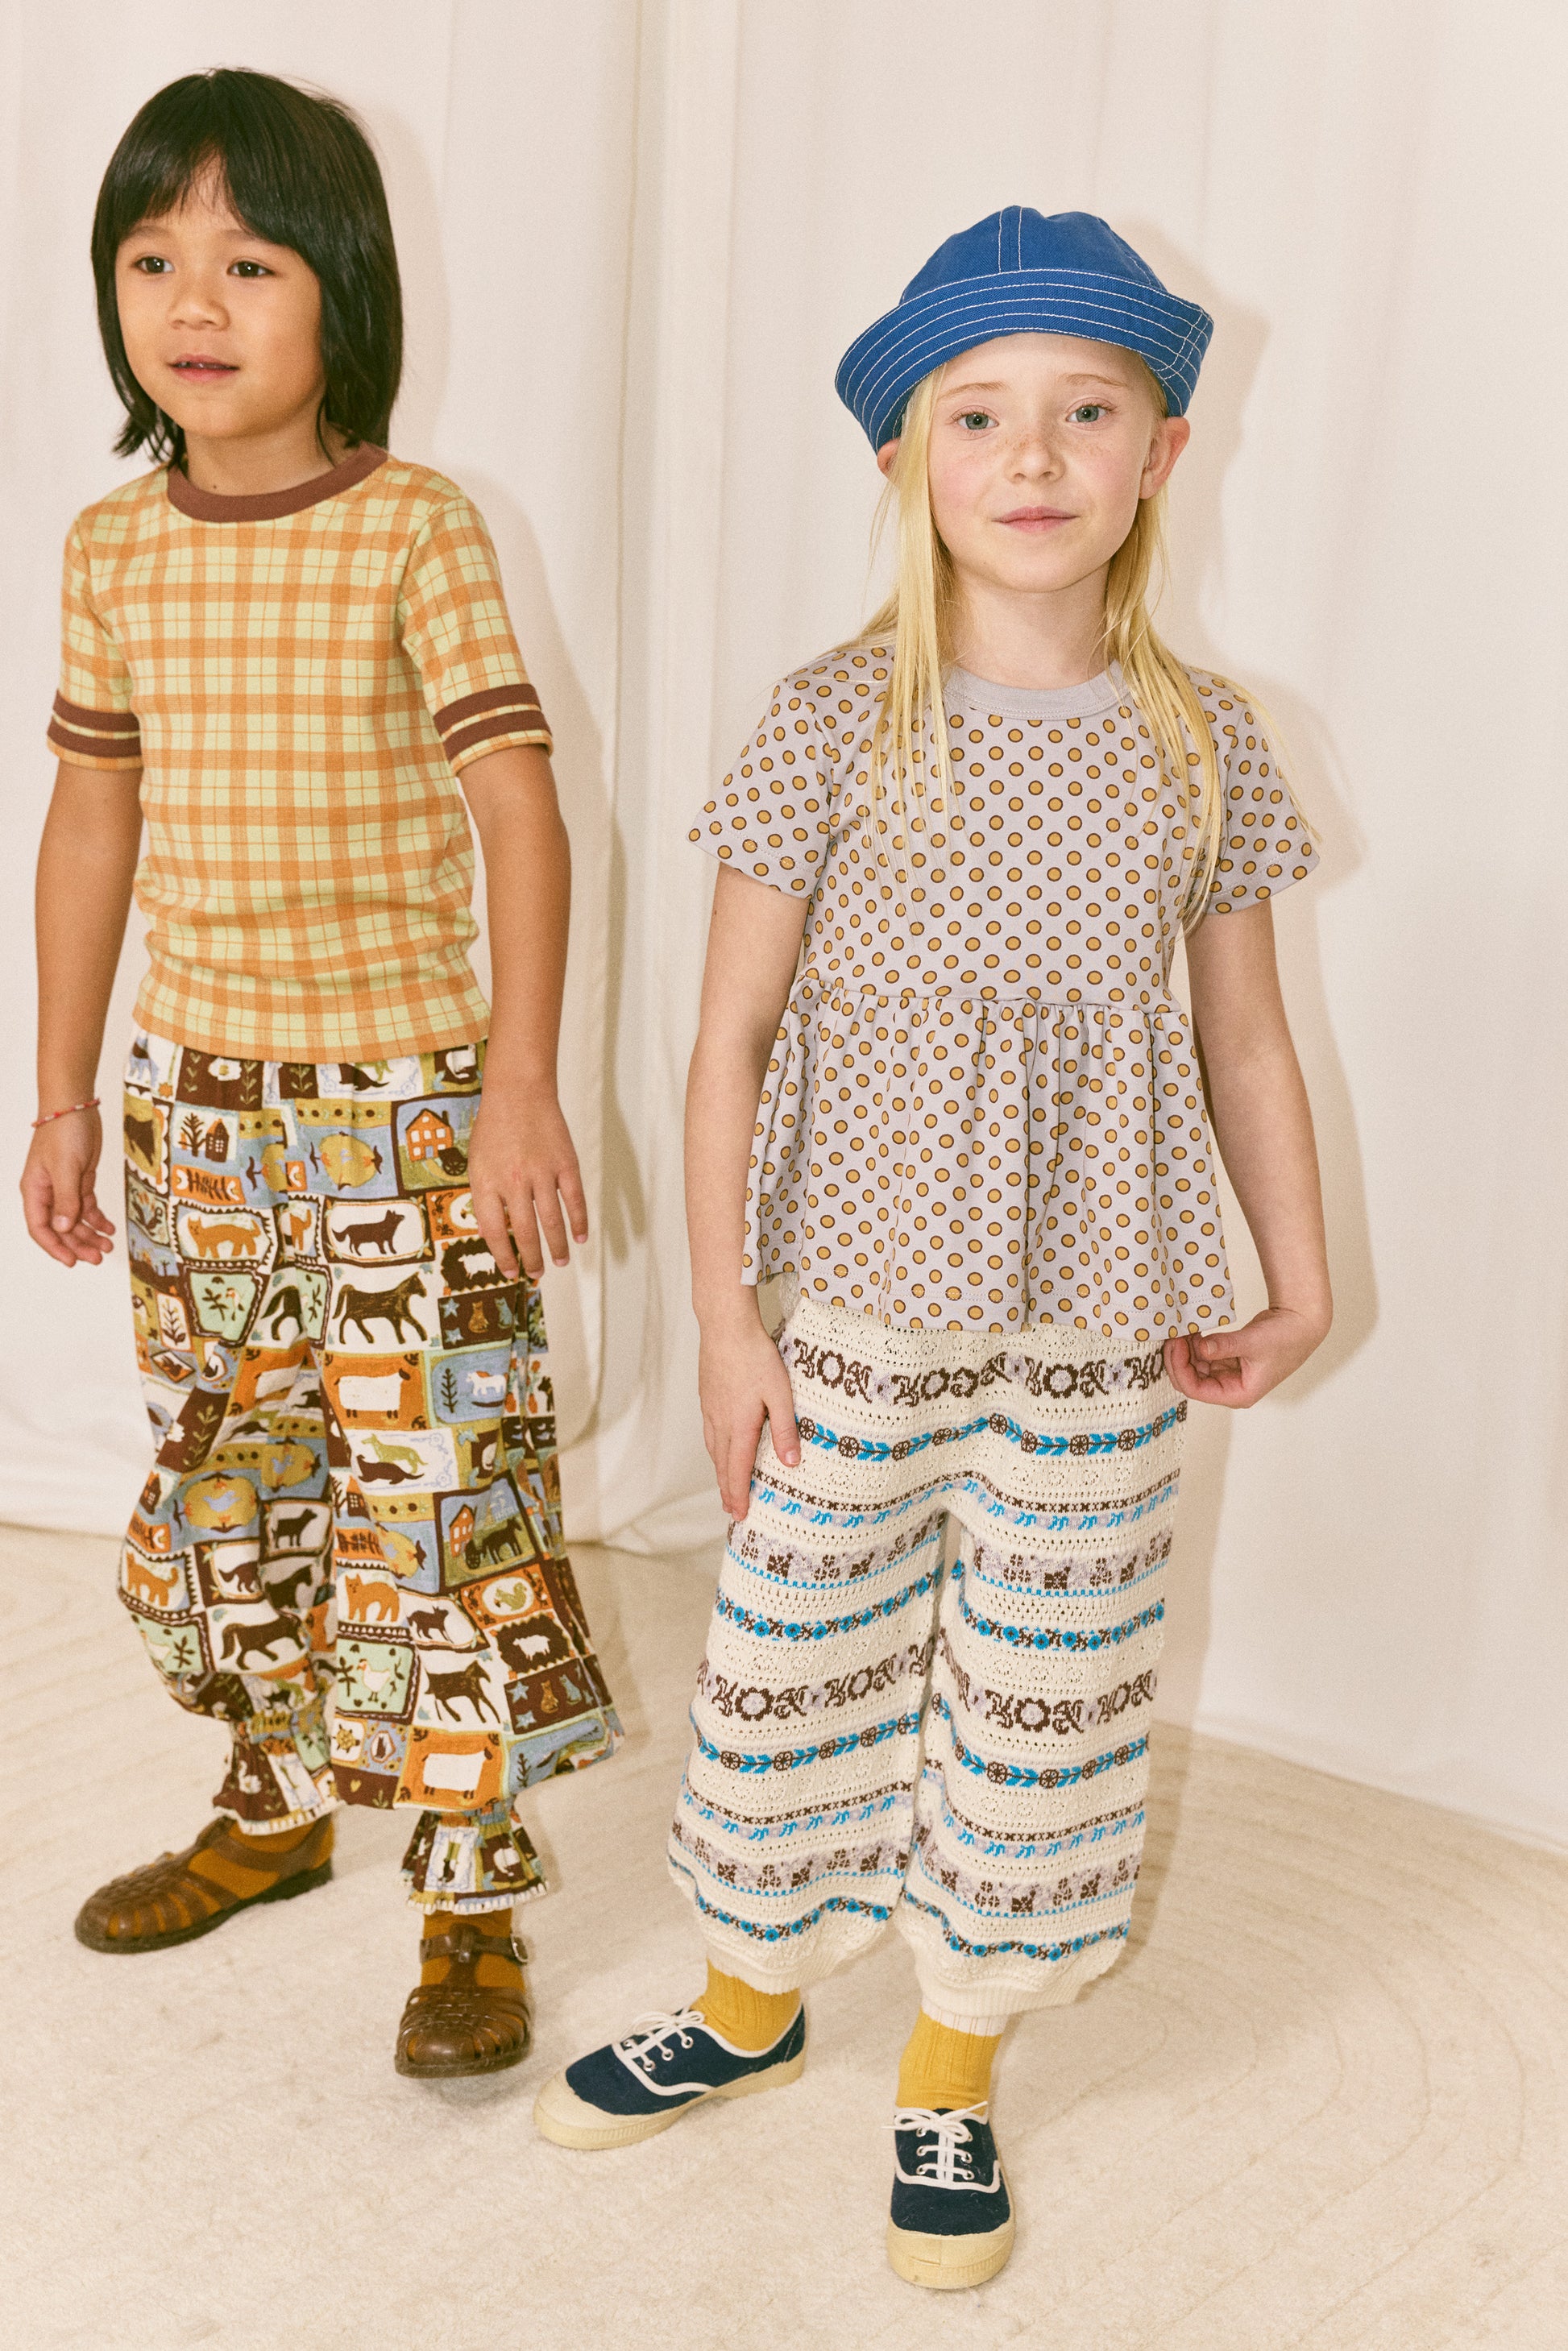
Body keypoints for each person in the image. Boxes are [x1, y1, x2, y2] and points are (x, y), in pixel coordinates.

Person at [534, 208, 1331, 2287]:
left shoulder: (1202, 739)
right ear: (902, 460)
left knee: (1044, 1693)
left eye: (1087, 411)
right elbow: (724, 1041)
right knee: (792, 1658)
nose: (1033, 454)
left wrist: (1298, 1269)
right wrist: (726, 1326)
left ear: (1161, 452)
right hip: (859, 1314)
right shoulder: (828, 719)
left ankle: (954, 2057)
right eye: (977, 414)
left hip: (1102, 1320)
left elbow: (1245, 1038)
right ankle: (748, 2000)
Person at [23, 68, 619, 2079]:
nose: (194, 301)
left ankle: (469, 1897)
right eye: (152, 259)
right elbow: (89, 824)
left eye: (251, 261)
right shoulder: (114, 548)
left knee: (441, 1499)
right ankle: (273, 1808)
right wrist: (64, 1090)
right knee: (235, 1480)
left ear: (343, 291)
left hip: (407, 1112)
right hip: (199, 1114)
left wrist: (518, 1086)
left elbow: (521, 811)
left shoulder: (415, 527)